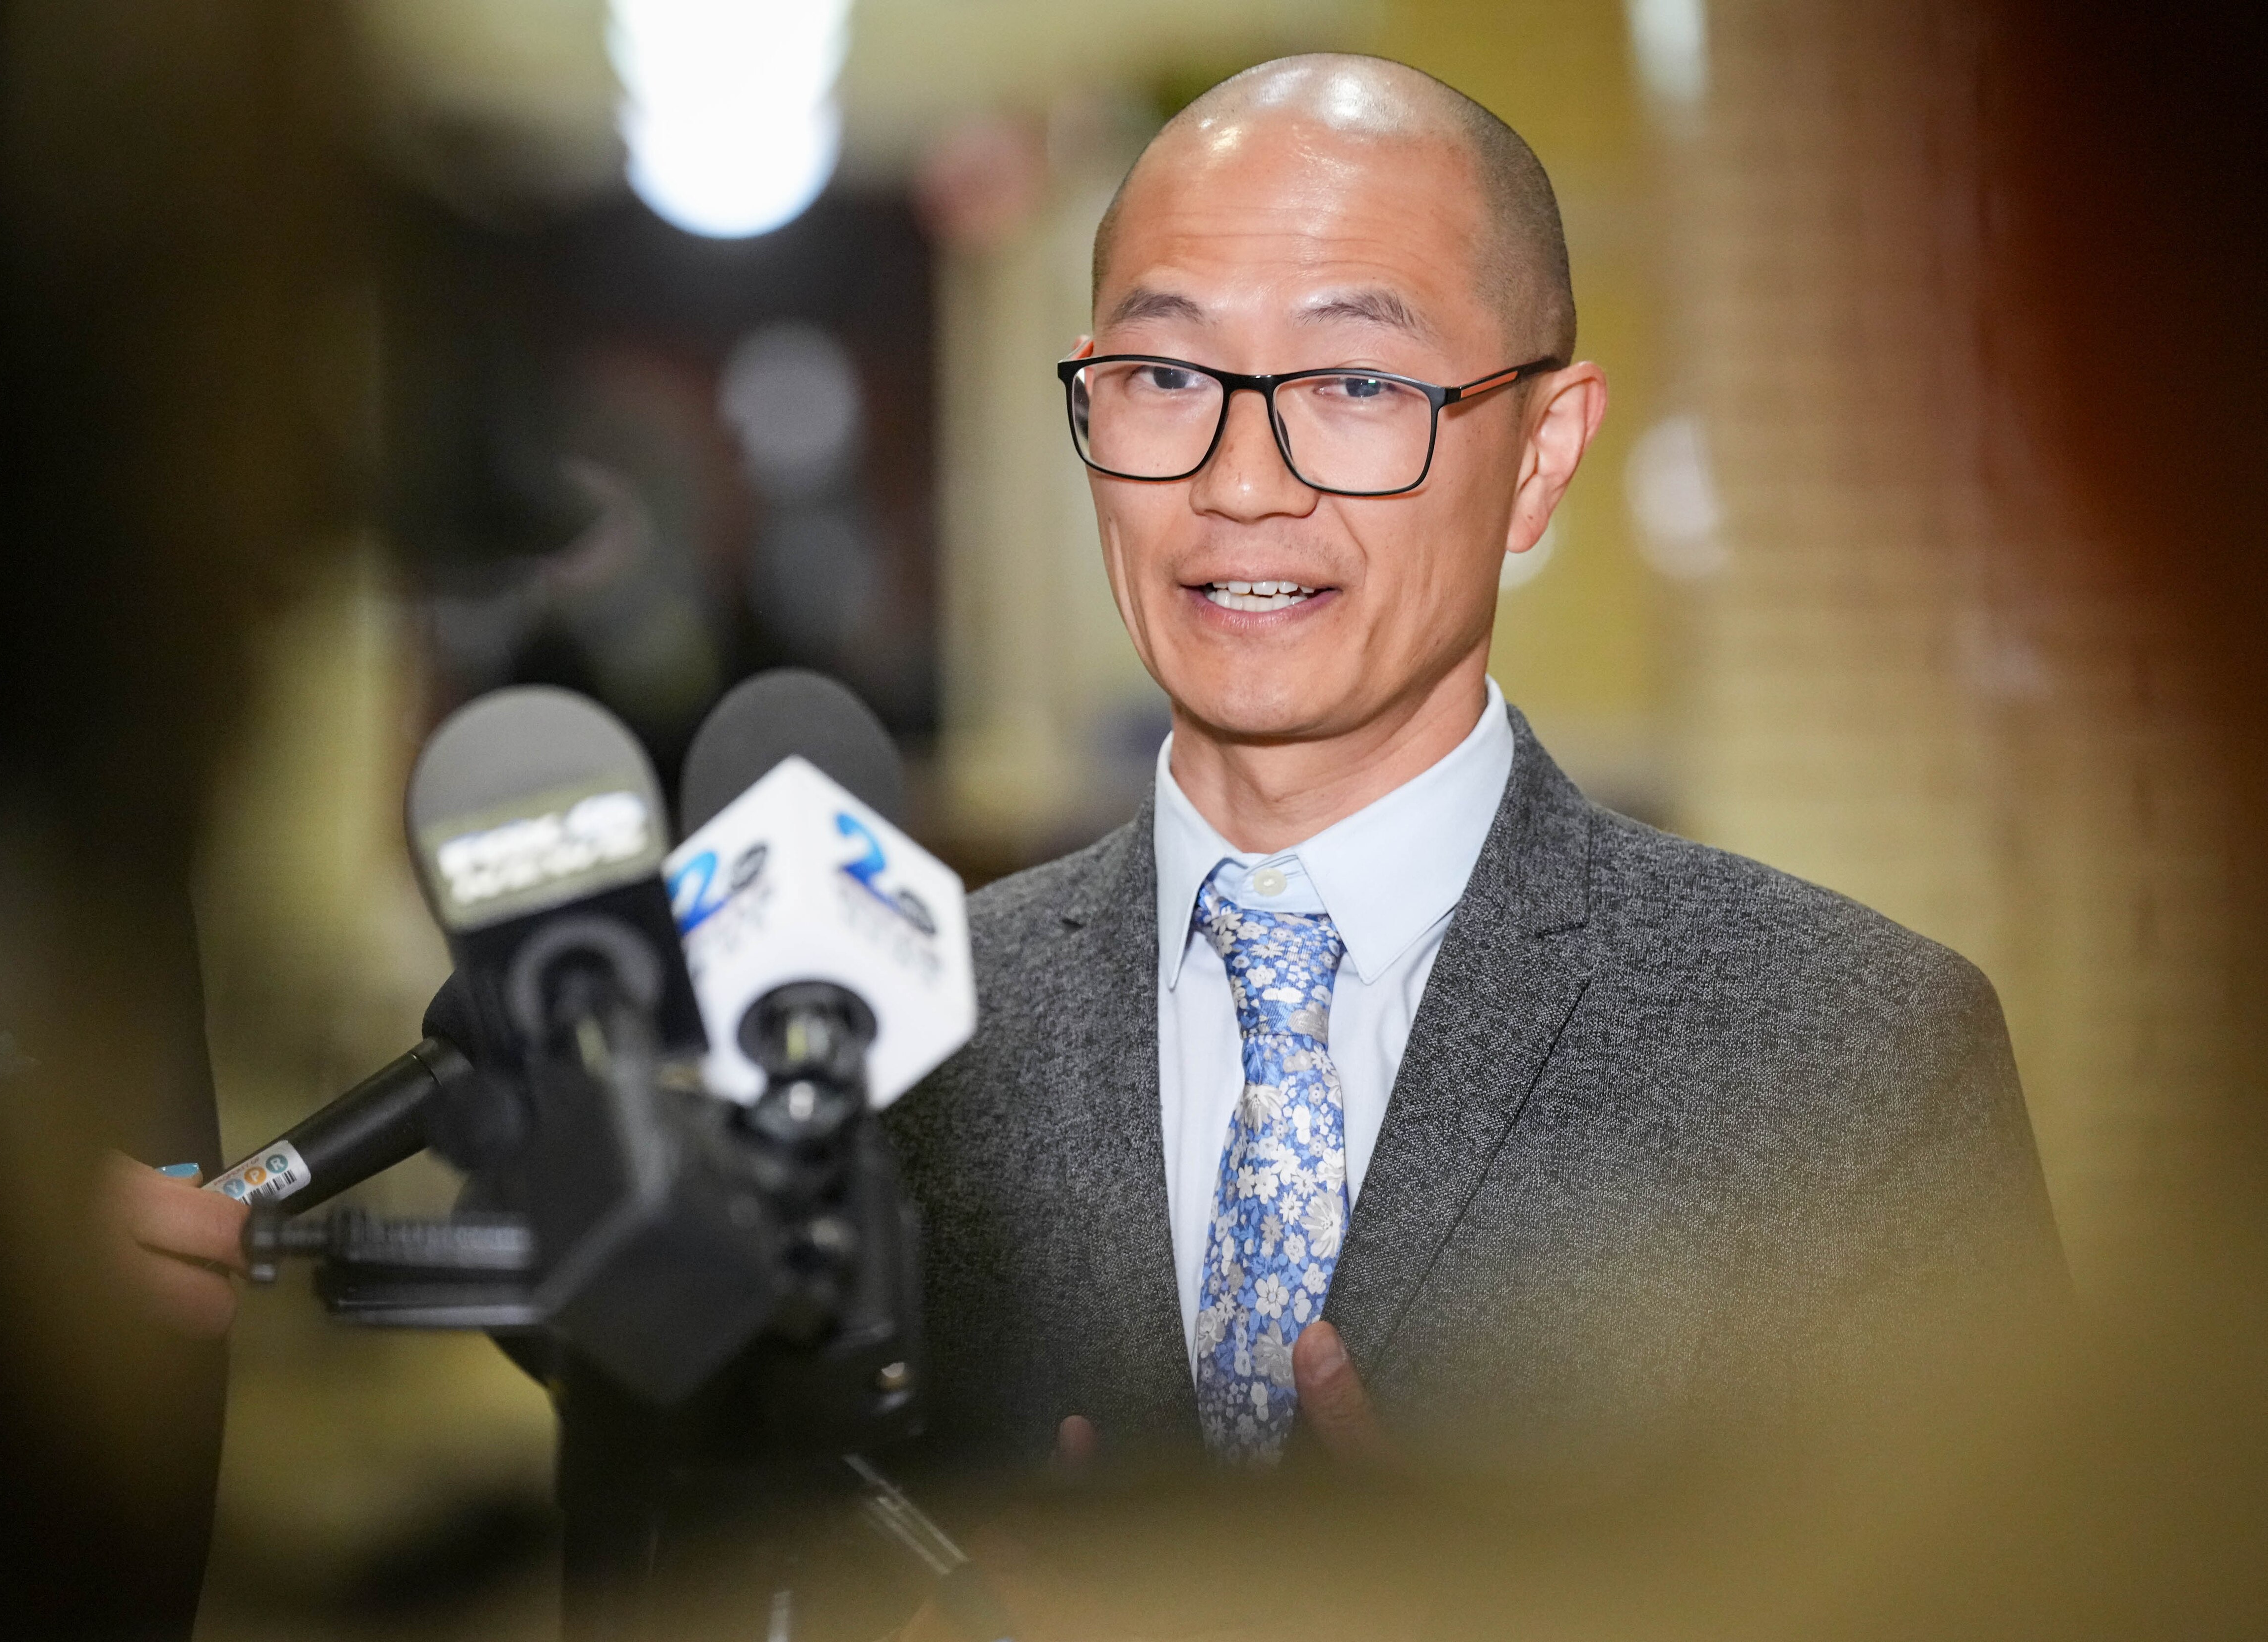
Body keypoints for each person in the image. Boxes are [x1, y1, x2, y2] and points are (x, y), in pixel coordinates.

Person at [883, 53, 2066, 1477]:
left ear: (1542, 454)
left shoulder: (1847, 1058)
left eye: (1357, 381)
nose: (1241, 483)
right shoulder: (897, 1043)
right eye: (1160, 373)